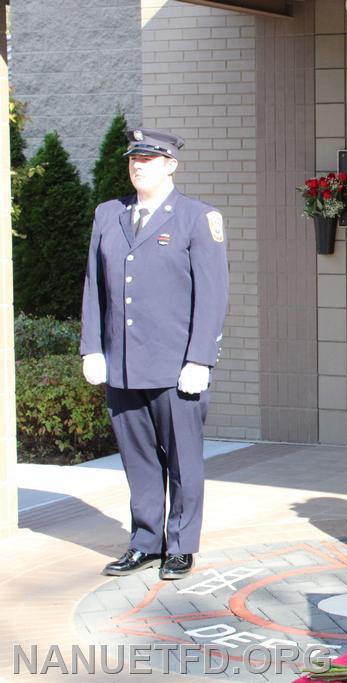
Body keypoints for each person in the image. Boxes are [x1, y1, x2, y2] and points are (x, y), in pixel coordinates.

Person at [80, 128, 229, 579]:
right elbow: (94, 285)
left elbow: (213, 294)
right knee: (139, 459)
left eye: (148, 159)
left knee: (183, 459)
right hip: (124, 363)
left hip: (174, 366)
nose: (138, 166)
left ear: (171, 165)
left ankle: (181, 544)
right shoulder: (109, 215)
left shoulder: (197, 218)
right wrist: (92, 347)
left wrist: (200, 359)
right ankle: (145, 541)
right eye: (133, 159)